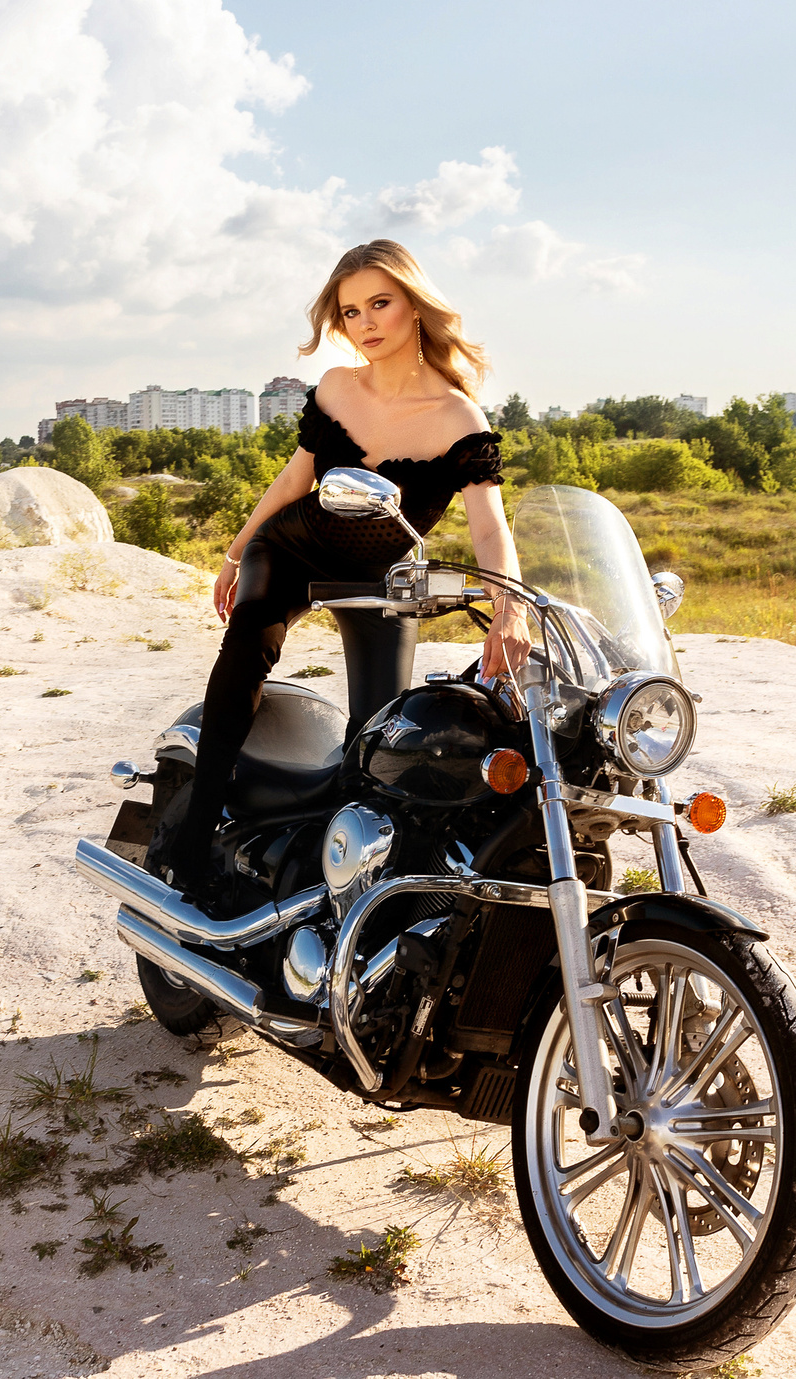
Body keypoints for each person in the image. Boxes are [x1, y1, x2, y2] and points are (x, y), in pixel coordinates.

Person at [166, 239, 531, 907]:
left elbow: (489, 525)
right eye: (350, 310)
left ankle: (337, 874)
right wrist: (236, 551)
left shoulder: (457, 416)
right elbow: (293, 480)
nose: (365, 322)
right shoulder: (336, 387)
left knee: (378, 736)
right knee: (244, 659)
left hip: (381, 577)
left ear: (415, 305)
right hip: (294, 549)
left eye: (380, 303)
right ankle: (192, 841)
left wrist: (510, 604)